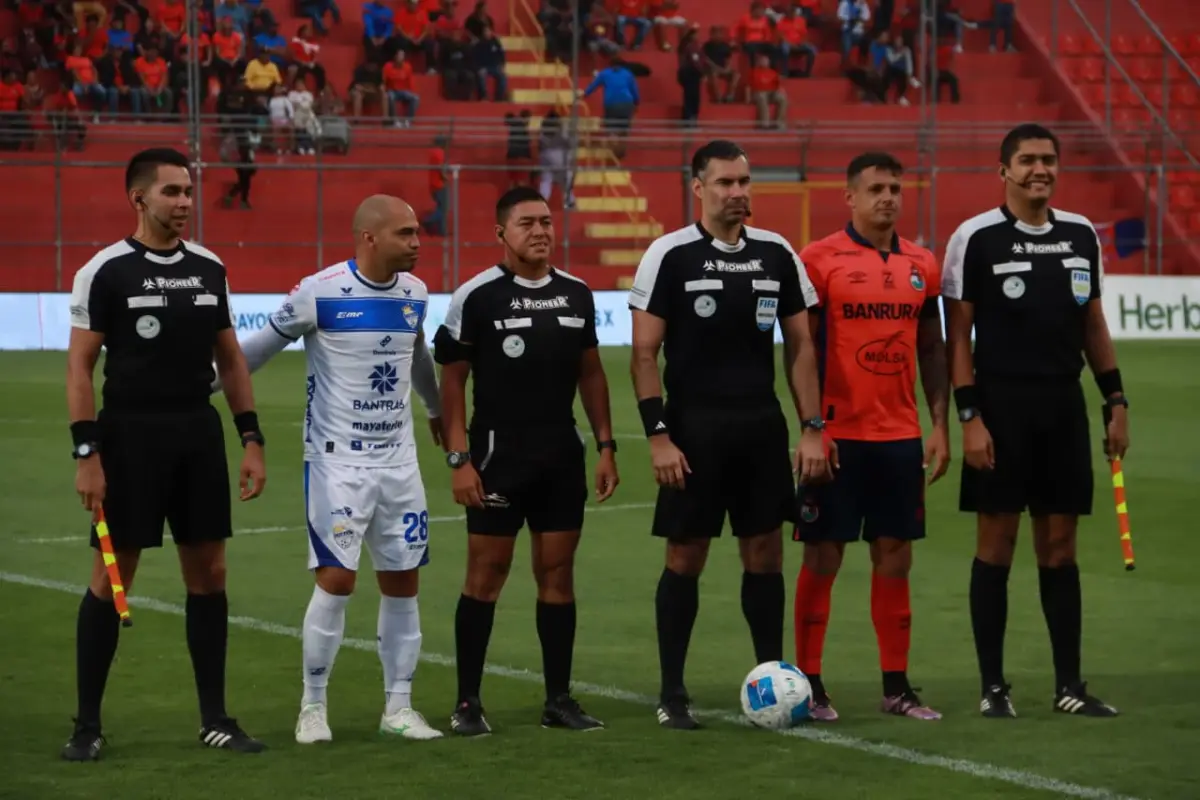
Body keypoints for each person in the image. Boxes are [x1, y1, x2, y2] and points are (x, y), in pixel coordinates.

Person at [215, 195, 445, 743]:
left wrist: (436, 408)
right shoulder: (318, 292)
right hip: (337, 461)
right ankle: (312, 706)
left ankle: (399, 707)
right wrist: (196, 389)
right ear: (369, 237)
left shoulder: (415, 293)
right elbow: (254, 352)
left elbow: (416, 355)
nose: (417, 243)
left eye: (417, 233)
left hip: (400, 461)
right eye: (405, 233)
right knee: (337, 579)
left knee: (403, 580)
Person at [63, 147, 268, 761]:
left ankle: (215, 719)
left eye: (188, 191)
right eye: (172, 191)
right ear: (139, 198)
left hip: (197, 434)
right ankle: (87, 726)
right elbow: (79, 367)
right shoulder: (105, 270)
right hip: (128, 437)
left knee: (210, 575)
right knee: (112, 576)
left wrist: (251, 438)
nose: (184, 202)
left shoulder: (209, 267)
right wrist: (86, 452)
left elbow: (231, 359)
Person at [628, 139, 827, 730]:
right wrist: (659, 437)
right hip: (694, 430)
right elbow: (644, 354)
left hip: (761, 428)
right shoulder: (669, 254)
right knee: (685, 555)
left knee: (765, 554)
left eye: (744, 181)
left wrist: (812, 428)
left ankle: (774, 683)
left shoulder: (777, 253)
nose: (738, 192)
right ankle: (672, 692)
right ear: (698, 187)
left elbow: (801, 346)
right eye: (725, 183)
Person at [941, 123, 1130, 719]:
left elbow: (1092, 323)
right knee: (996, 544)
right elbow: (958, 336)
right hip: (1000, 408)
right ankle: (992, 687)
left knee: (1060, 547)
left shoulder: (1080, 235)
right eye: (1026, 160)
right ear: (1004, 170)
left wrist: (1116, 400)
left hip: (1063, 408)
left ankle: (1069, 686)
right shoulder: (975, 237)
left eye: (1047, 159)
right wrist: (969, 416)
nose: (1039, 169)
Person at [433, 186, 620, 736]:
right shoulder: (477, 296)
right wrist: (459, 459)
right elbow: (452, 383)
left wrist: (606, 446)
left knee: (558, 576)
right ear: (501, 233)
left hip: (560, 455)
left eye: (546, 221)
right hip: (497, 456)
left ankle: (558, 701)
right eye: (526, 223)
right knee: (485, 576)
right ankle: (468, 702)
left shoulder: (576, 294)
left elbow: (591, 373)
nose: (540, 231)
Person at [792, 152, 949, 722]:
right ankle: (811, 684)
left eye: (895, 189)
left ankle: (897, 687)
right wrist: (812, 428)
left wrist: (939, 425)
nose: (887, 197)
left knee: (895, 557)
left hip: (900, 436)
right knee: (823, 555)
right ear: (850, 197)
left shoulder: (921, 263)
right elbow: (801, 351)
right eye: (876, 188)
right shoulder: (818, 260)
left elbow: (932, 348)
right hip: (837, 436)